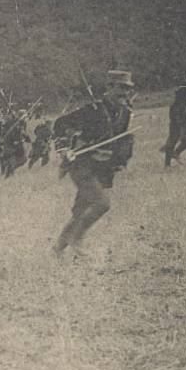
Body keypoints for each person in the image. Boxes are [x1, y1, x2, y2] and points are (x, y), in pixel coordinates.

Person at [53, 71, 135, 257]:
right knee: (101, 203)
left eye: (128, 89)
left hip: (103, 169)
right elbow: (60, 124)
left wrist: (121, 158)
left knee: (81, 210)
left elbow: (123, 140)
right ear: (109, 88)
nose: (125, 93)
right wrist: (65, 147)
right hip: (81, 165)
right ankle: (77, 240)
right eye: (120, 88)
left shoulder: (125, 113)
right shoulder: (93, 110)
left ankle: (58, 248)